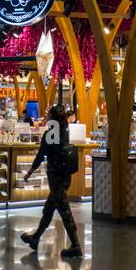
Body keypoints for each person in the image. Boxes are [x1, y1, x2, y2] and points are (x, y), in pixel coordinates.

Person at [19, 105, 82, 258]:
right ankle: (35, 238)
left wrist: (30, 172)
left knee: (64, 211)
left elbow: (41, 155)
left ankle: (75, 245)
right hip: (65, 177)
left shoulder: (49, 135)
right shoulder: (64, 133)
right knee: (49, 209)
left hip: (56, 178)